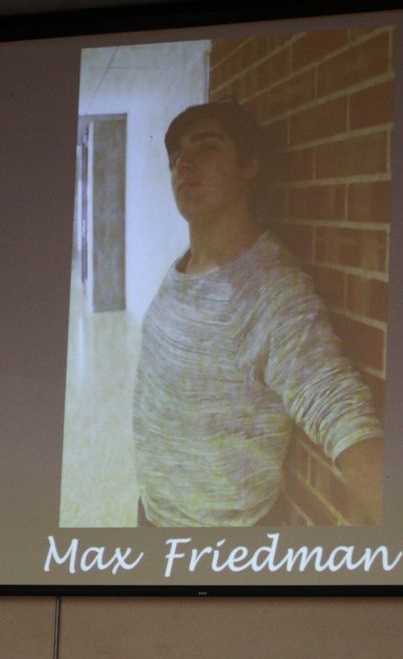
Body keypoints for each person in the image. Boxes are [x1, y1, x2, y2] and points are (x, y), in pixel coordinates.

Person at [132, 101, 383, 527]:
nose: (183, 164)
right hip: (155, 513)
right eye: (176, 157)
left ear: (250, 165)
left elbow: (337, 406)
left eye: (207, 147)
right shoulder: (184, 267)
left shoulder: (271, 288)